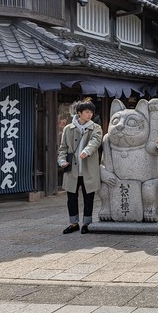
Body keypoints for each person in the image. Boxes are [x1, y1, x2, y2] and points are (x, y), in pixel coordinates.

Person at [58, 100, 103, 235]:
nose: (90, 115)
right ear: (79, 113)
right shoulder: (68, 129)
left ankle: (87, 223)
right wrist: (61, 161)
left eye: (91, 112)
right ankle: (73, 223)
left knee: (88, 197)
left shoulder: (96, 128)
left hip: (89, 170)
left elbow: (95, 141)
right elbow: (63, 149)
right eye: (87, 112)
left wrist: (86, 151)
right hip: (72, 170)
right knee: (71, 198)